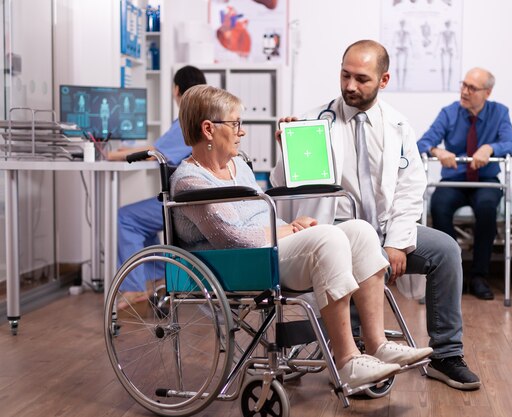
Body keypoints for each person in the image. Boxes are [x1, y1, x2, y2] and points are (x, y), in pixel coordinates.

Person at [169, 84, 433, 388]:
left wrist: (290, 225)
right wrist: (288, 228)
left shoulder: (237, 166)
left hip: (267, 250)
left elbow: (259, 215)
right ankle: (347, 360)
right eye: (235, 123)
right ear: (208, 129)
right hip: (239, 265)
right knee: (328, 238)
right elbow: (232, 238)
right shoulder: (190, 181)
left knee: (359, 231)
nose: (241, 132)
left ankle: (376, 344)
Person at [270, 40, 481, 391]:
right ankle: (358, 348)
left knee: (445, 251)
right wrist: (288, 154)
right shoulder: (311, 122)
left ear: (383, 80)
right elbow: (283, 191)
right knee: (347, 247)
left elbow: (411, 186)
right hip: (335, 231)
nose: (350, 86)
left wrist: (398, 242)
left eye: (362, 79)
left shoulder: (398, 125)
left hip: (385, 230)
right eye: (345, 75)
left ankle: (446, 355)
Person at [417, 68, 512, 300]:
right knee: (439, 205)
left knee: (486, 208)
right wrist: (437, 150)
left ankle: (479, 276)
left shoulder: (500, 113)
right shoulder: (449, 113)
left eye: (472, 88)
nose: (464, 91)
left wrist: (490, 148)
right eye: (463, 85)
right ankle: (453, 272)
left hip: (485, 179)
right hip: (454, 179)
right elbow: (422, 142)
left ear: (487, 92)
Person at [109, 66, 207, 309]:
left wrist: (112, 155)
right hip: (199, 199)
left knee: (125, 218)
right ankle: (155, 278)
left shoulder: (187, 121)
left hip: (183, 204)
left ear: (176, 90)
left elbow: (154, 154)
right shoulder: (204, 119)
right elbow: (158, 150)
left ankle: (134, 288)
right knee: (141, 222)